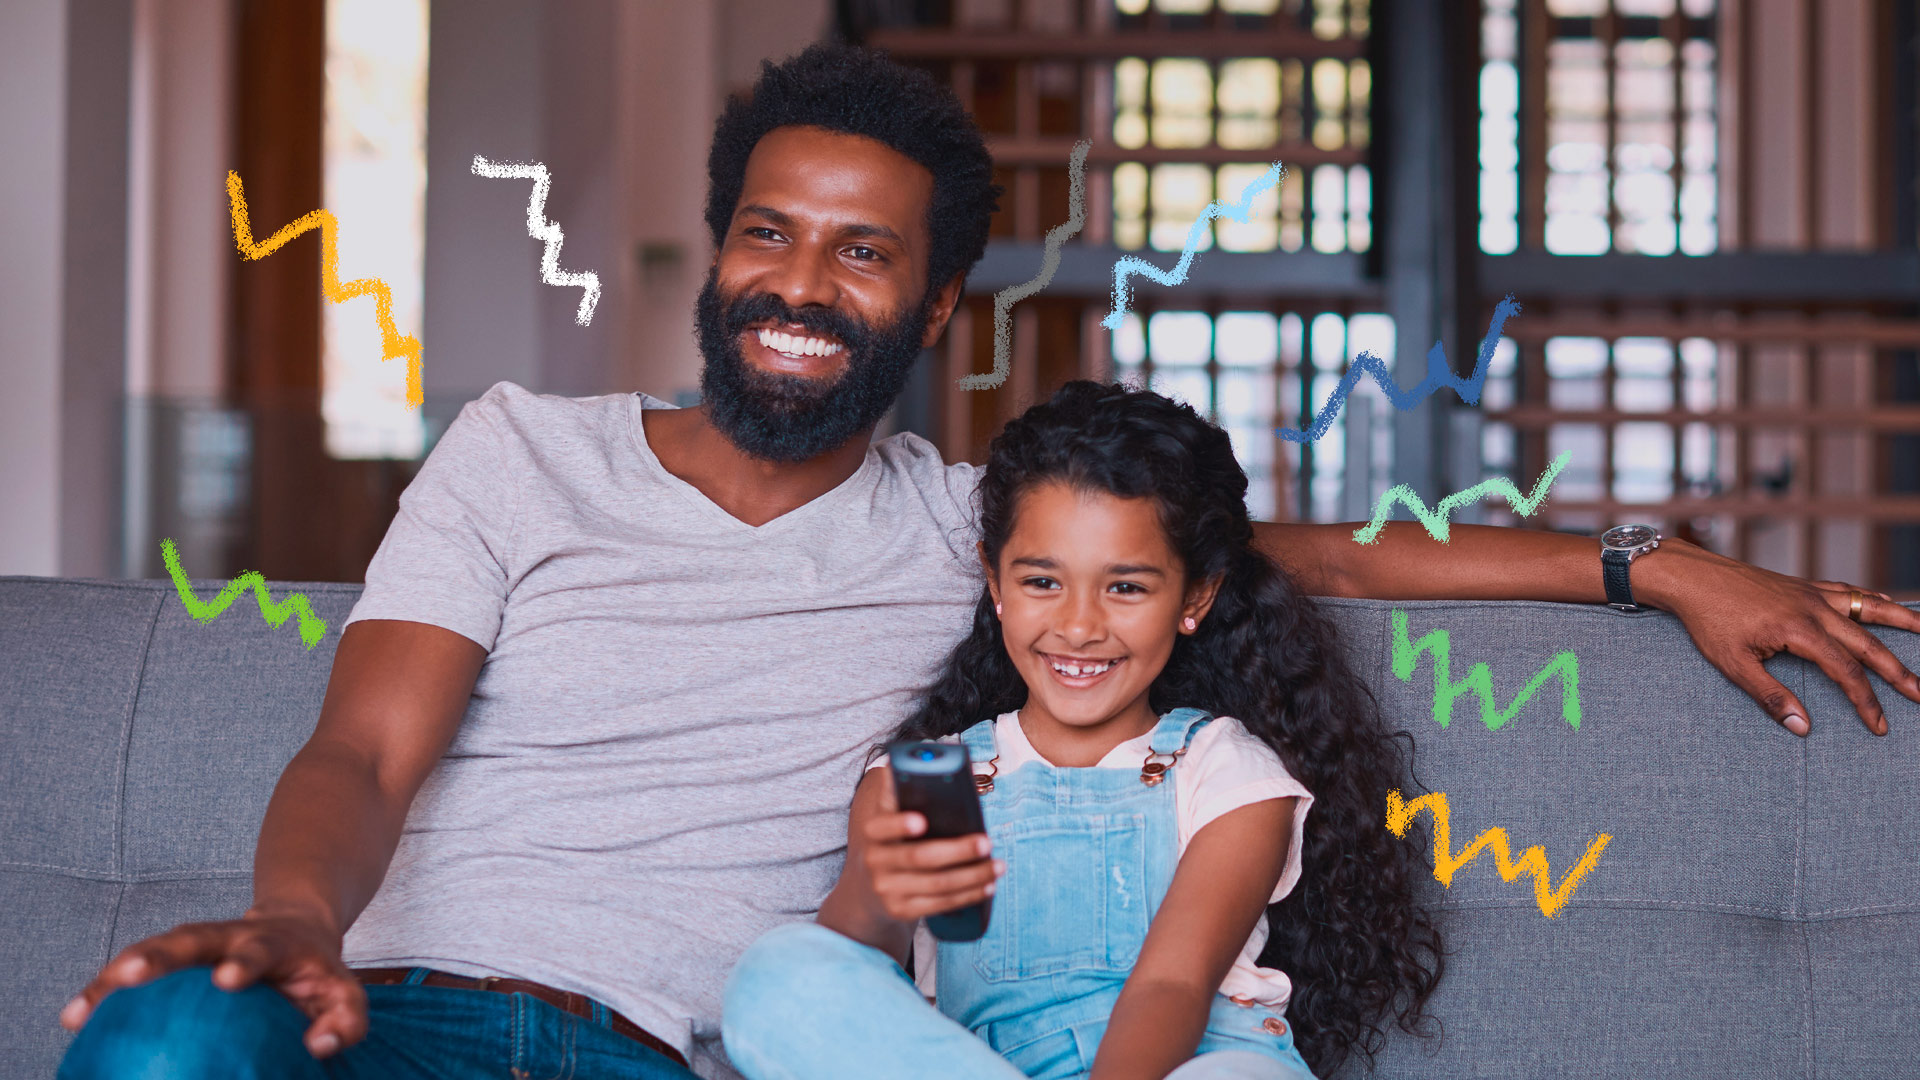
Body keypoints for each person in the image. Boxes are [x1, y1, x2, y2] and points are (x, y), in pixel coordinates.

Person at [55, 41, 1920, 1080]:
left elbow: (1318, 555)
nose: (800, 281)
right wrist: (295, 922)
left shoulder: (982, 538)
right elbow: (363, 755)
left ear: (936, 301)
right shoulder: (517, 453)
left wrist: (1655, 564)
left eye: (860, 254)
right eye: (769, 235)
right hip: (394, 1014)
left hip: (676, 1052)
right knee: (154, 1046)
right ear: (716, 259)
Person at [723, 381, 1437, 1080]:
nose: (1079, 627)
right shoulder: (920, 779)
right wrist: (873, 895)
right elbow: (858, 974)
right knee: (779, 974)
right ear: (995, 584)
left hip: (1189, 1061)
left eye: (1125, 587)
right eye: (1042, 583)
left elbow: (1172, 988)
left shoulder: (1226, 772)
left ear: (1195, 596)